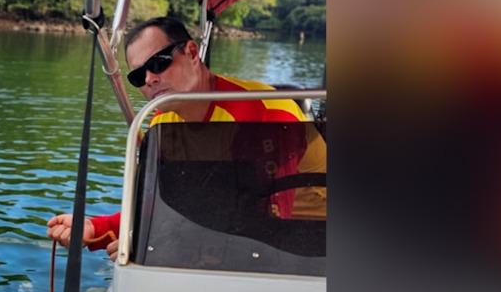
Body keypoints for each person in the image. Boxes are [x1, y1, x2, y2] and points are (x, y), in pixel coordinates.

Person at [47, 16, 322, 258]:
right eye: (138, 76)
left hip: (313, 248)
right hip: (229, 246)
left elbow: (267, 223)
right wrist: (96, 227)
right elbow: (164, 207)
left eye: (159, 63)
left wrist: (156, 242)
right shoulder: (162, 123)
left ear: (191, 52)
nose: (150, 79)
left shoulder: (266, 112)